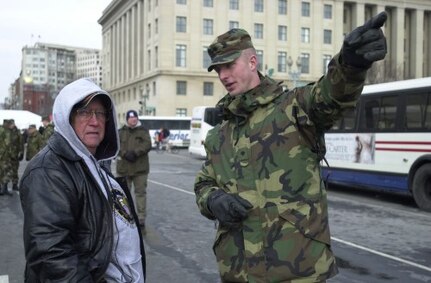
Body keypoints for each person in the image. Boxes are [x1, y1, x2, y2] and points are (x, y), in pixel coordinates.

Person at [194, 12, 387, 282]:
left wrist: (350, 65)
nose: (223, 75)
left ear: (252, 61)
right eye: (218, 70)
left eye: (229, 65)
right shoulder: (219, 135)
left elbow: (331, 95)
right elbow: (204, 183)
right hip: (239, 271)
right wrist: (214, 200)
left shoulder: (293, 108)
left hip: (297, 271)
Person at [19, 78, 146, 282]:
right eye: (84, 112)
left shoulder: (95, 163)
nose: (94, 121)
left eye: (100, 113)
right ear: (66, 117)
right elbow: (51, 256)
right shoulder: (48, 171)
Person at [117, 109, 152, 231]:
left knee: (140, 194)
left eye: (135, 118)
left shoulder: (143, 131)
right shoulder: (120, 132)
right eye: (131, 118)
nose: (133, 120)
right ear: (127, 119)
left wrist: (136, 153)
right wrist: (125, 153)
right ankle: (125, 217)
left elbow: (147, 144)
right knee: (123, 194)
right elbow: (116, 145)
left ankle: (141, 218)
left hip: (140, 169)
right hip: (124, 168)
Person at [2, 119, 24, 192]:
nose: (12, 125)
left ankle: (15, 185)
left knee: (15, 170)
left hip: (15, 154)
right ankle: (4, 186)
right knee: (6, 170)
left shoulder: (17, 132)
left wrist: (21, 152)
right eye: (11, 124)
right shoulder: (6, 132)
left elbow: (21, 143)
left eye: (13, 124)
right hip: (7, 155)